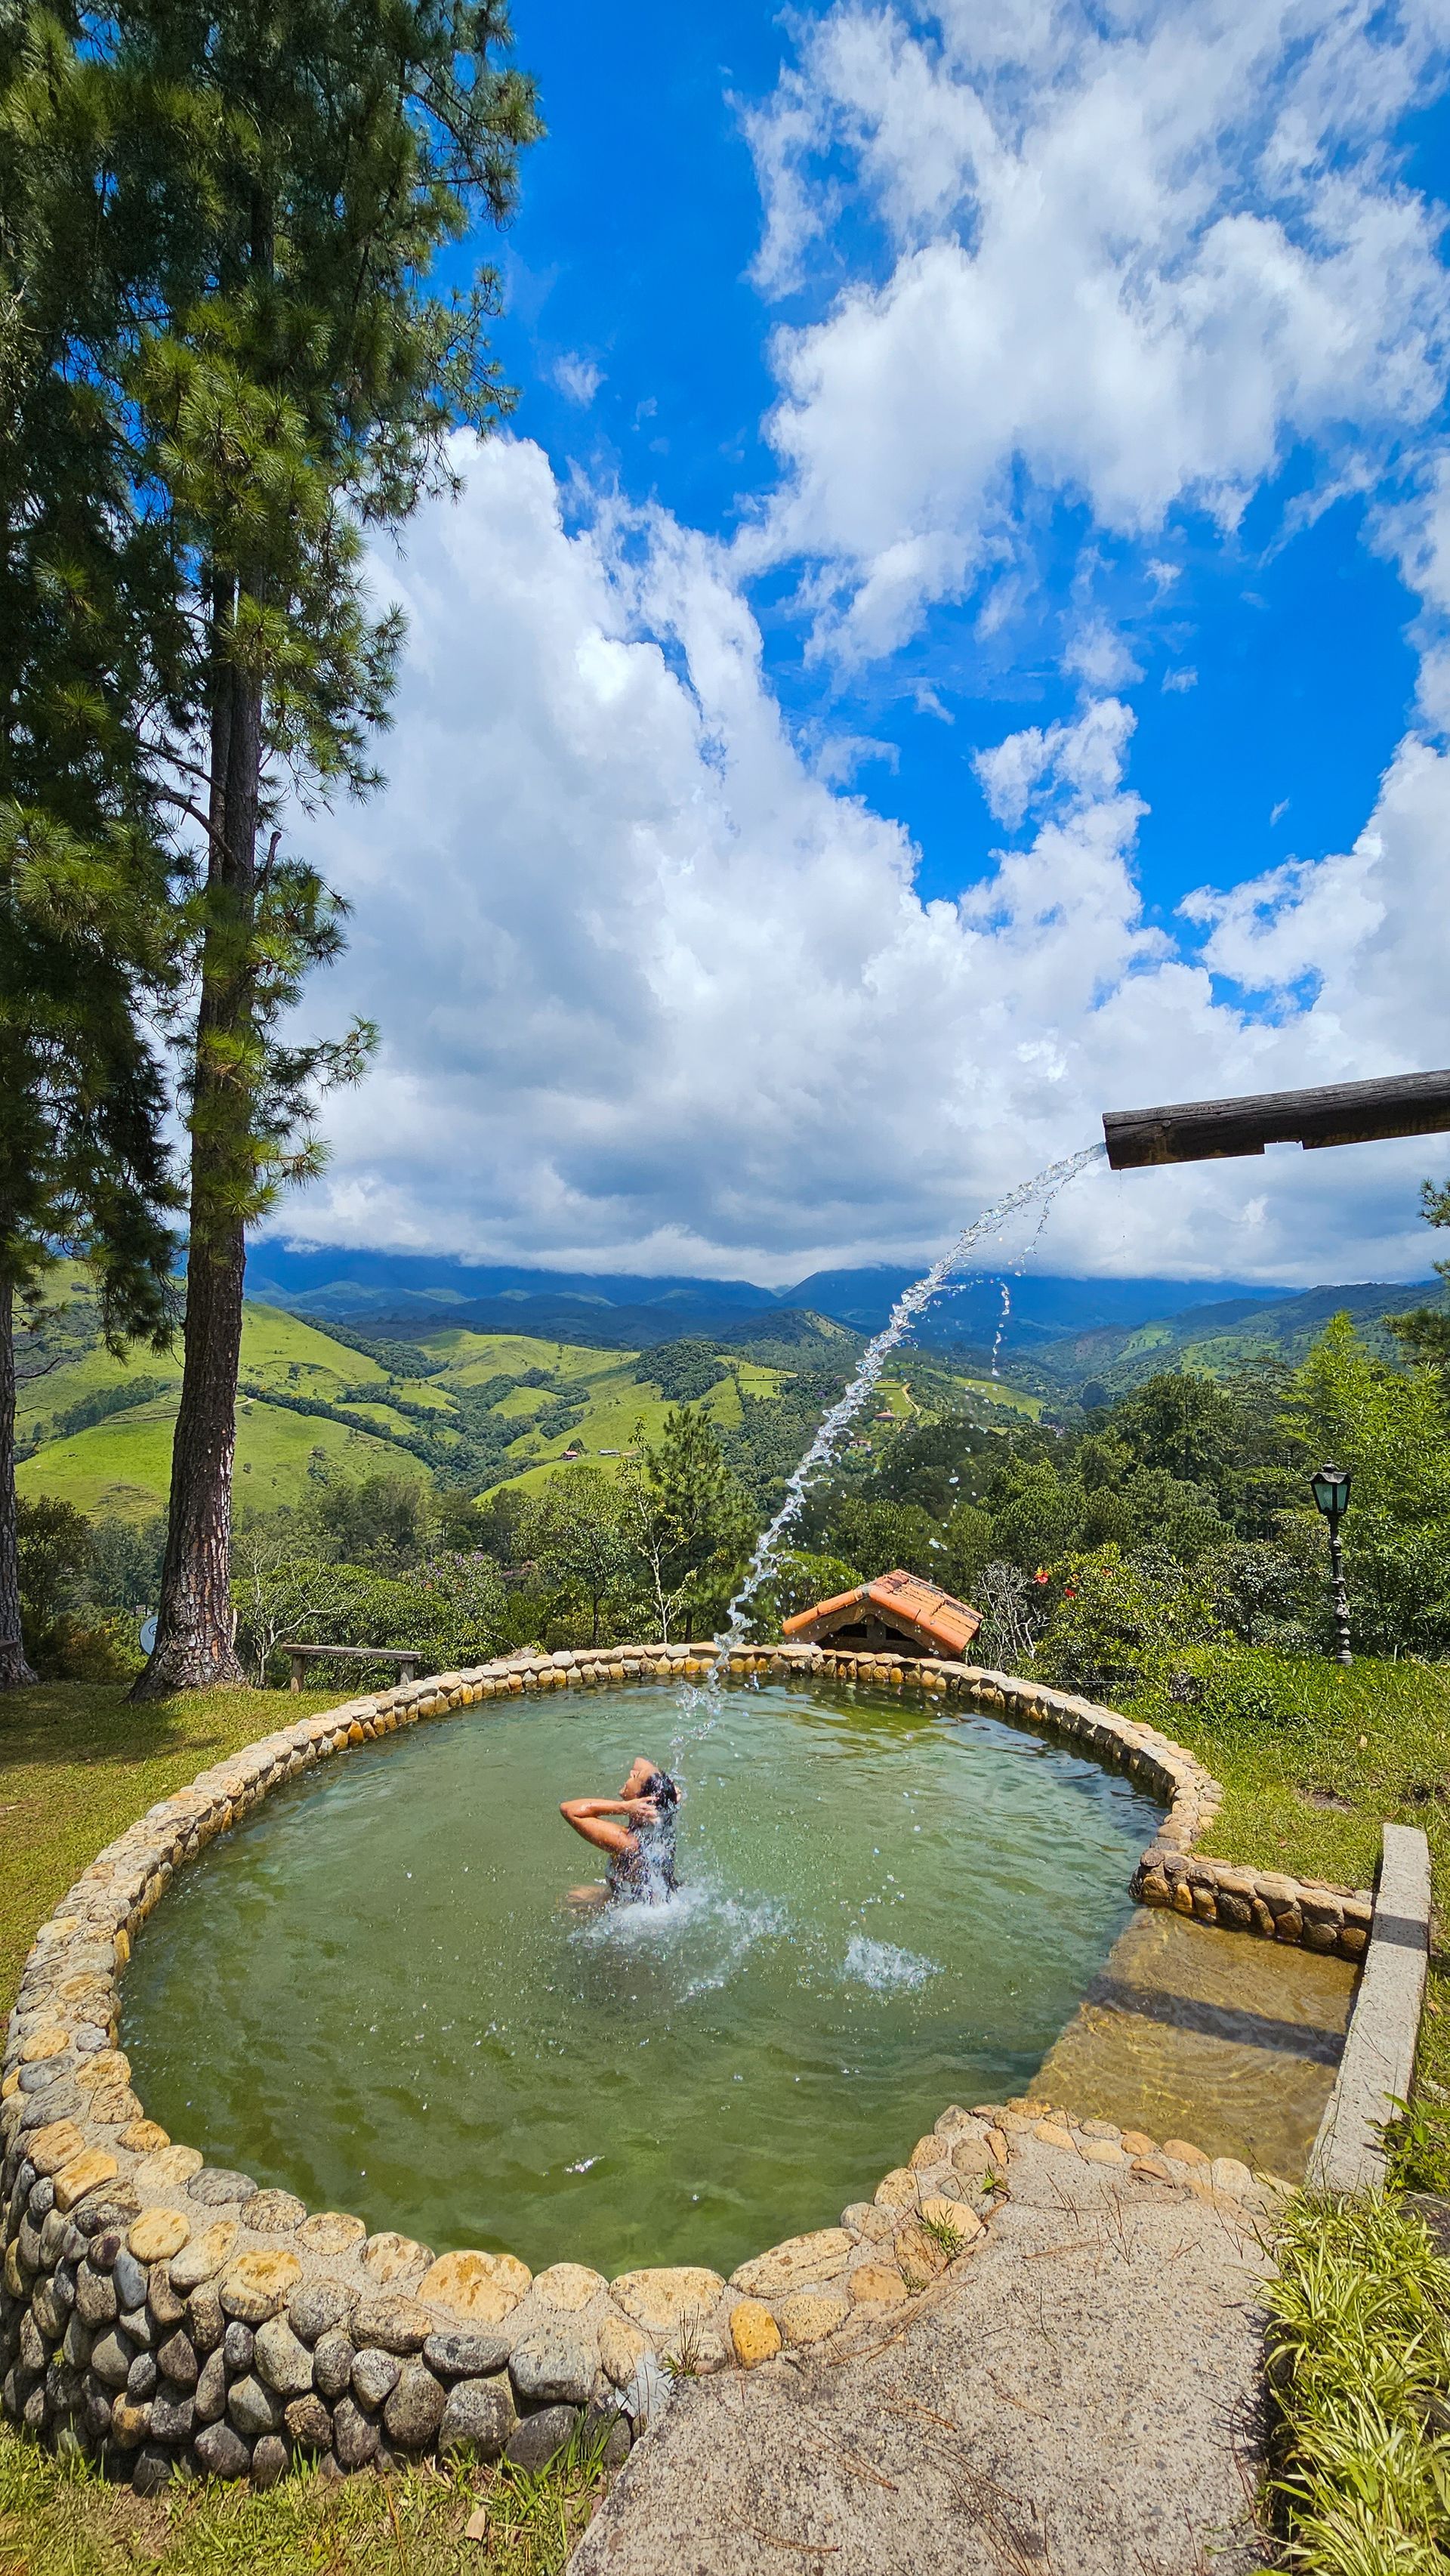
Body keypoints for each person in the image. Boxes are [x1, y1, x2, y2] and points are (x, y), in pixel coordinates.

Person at [560, 1756, 680, 1905]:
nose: (631, 1773)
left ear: (640, 1798)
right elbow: (639, 1761)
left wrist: (623, 1808)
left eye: (635, 1777)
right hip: (655, 1899)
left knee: (568, 1901)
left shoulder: (627, 1842)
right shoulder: (663, 1821)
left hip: (636, 1917)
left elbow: (569, 1810)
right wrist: (667, 1788)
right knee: (577, 1895)